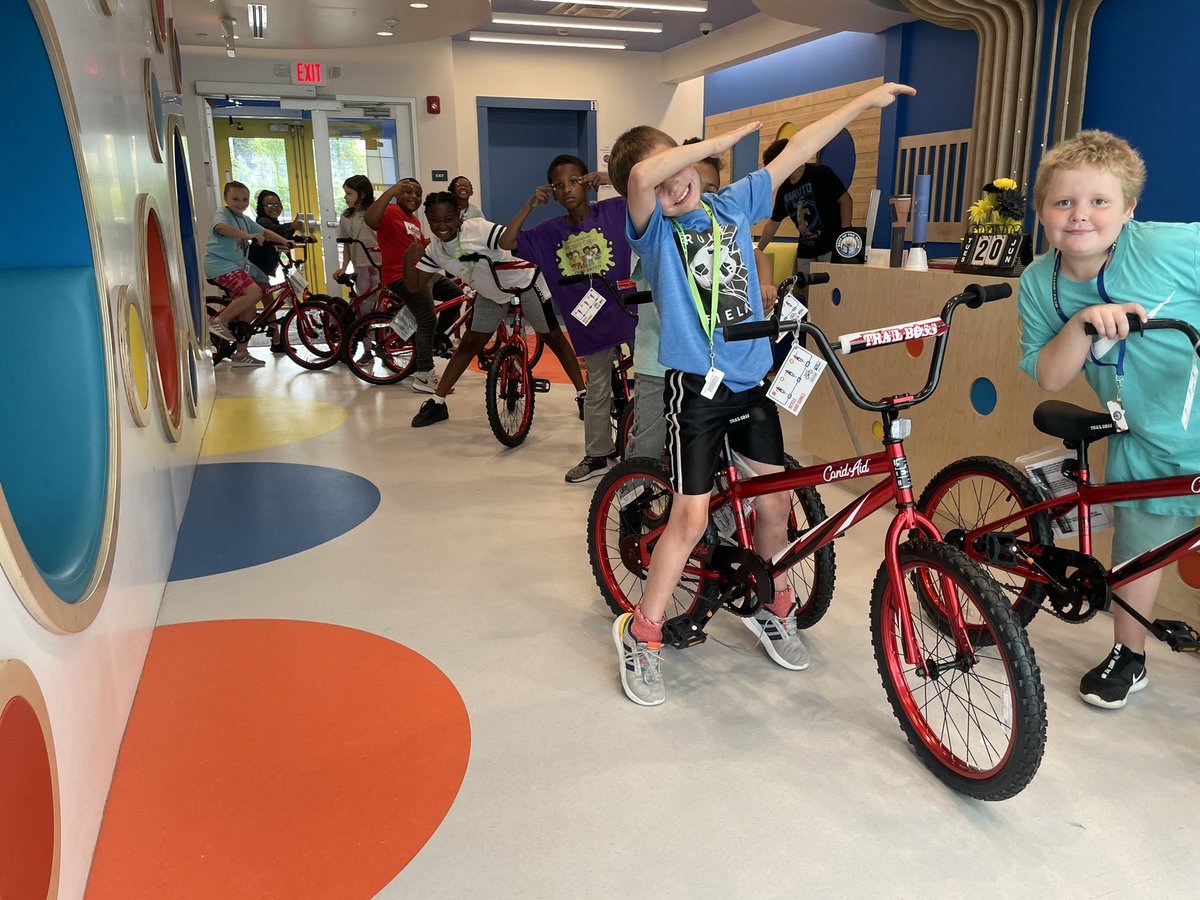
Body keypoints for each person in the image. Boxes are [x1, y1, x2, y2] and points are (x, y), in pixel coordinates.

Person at [605, 81, 915, 706]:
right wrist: (709, 144)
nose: (675, 188)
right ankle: (643, 631)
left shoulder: (733, 205)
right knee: (691, 516)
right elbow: (642, 176)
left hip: (750, 383)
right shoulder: (654, 234)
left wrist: (864, 104)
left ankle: (770, 601)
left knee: (775, 503)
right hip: (696, 390)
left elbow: (800, 147)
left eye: (682, 173)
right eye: (663, 182)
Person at [1016, 129, 1200, 710]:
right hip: (1145, 440)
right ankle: (1130, 655)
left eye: (1099, 202)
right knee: (1139, 554)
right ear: (1042, 210)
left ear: (1129, 210)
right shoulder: (1038, 283)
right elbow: (1049, 375)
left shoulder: (1174, 247)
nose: (1080, 216)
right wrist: (1081, 324)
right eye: (1063, 202)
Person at [626, 143, 776, 461]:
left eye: (713, 190)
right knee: (649, 442)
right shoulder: (659, 232)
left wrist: (763, 281)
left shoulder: (723, 219)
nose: (703, 198)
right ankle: (632, 500)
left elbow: (757, 254)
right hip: (660, 361)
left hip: (717, 366)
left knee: (723, 455)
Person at [498, 154, 635, 482]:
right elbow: (507, 241)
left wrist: (609, 178)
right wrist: (531, 204)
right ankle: (598, 454)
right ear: (553, 193)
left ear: (585, 182)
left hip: (628, 314)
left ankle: (647, 449)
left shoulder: (614, 211)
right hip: (590, 324)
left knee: (648, 383)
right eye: (559, 185)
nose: (567, 189)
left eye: (574, 180)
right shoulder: (549, 232)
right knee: (597, 389)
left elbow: (648, 193)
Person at [405, 191, 586, 428]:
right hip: (491, 294)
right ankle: (438, 401)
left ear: (459, 216)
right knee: (469, 344)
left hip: (525, 282)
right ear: (427, 218)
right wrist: (408, 258)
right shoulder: (435, 250)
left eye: (448, 219)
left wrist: (528, 207)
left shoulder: (478, 228)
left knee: (553, 337)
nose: (442, 226)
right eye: (435, 220)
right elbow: (414, 285)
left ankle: (584, 395)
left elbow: (509, 240)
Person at [365, 177, 457, 393]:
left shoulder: (413, 220)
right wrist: (391, 192)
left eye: (417, 193)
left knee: (456, 296)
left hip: (423, 272)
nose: (413, 196)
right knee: (426, 319)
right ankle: (424, 375)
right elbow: (370, 220)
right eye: (407, 191)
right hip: (400, 275)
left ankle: (431, 340)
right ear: (397, 193)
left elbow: (417, 247)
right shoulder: (389, 211)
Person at [205, 180, 294, 367]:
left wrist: (286, 242)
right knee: (255, 292)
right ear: (226, 199)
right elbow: (220, 228)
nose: (240, 203)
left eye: (244, 199)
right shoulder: (223, 213)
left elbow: (265, 232)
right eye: (235, 199)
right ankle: (219, 321)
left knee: (250, 308)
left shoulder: (244, 220)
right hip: (221, 266)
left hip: (235, 266)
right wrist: (248, 236)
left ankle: (241, 354)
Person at [755, 139, 852, 280]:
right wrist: (758, 250)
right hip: (807, 250)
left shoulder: (820, 173)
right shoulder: (784, 190)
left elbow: (846, 201)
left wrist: (844, 235)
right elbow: (773, 223)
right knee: (806, 292)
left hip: (830, 246)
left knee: (830, 289)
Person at [248, 189, 305, 353]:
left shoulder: (275, 223)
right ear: (261, 207)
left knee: (270, 305)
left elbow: (284, 236)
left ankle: (276, 341)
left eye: (277, 204)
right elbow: (274, 232)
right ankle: (268, 338)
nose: (274, 207)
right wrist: (292, 226)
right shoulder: (261, 222)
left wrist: (303, 238)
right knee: (263, 304)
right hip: (255, 268)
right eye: (269, 204)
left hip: (262, 269)